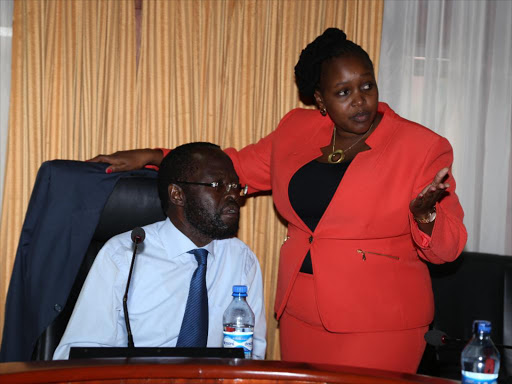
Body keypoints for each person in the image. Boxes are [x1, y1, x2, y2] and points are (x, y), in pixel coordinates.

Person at [90, 28, 467, 372]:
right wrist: (156, 156)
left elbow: (449, 249)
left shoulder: (421, 147)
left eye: (367, 87)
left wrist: (426, 215)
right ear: (319, 99)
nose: (360, 102)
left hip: (380, 322)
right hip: (301, 312)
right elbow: (233, 167)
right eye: (343, 93)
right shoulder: (296, 130)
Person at [54, 142, 266, 360]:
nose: (233, 196)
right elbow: (80, 352)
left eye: (235, 186)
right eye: (218, 185)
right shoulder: (124, 255)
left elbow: (253, 355)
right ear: (177, 194)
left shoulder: (241, 259)